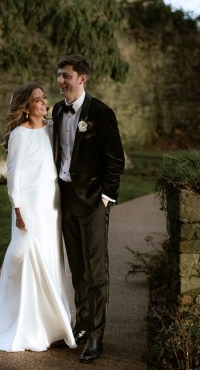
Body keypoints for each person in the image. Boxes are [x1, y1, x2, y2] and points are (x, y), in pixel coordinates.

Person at [0, 82, 76, 352]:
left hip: (51, 202)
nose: (45, 103)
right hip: (30, 205)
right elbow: (15, 175)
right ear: (26, 107)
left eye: (45, 98)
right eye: (38, 100)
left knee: (51, 257)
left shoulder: (51, 129)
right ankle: (28, 323)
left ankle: (53, 324)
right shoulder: (19, 135)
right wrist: (18, 209)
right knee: (28, 257)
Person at [52, 55, 125, 363]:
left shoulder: (101, 113)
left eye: (65, 76)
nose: (60, 81)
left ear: (83, 78)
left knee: (96, 271)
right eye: (58, 75)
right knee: (78, 268)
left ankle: (96, 336)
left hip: (93, 202)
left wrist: (106, 197)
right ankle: (81, 325)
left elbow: (115, 159)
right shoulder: (57, 110)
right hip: (65, 198)